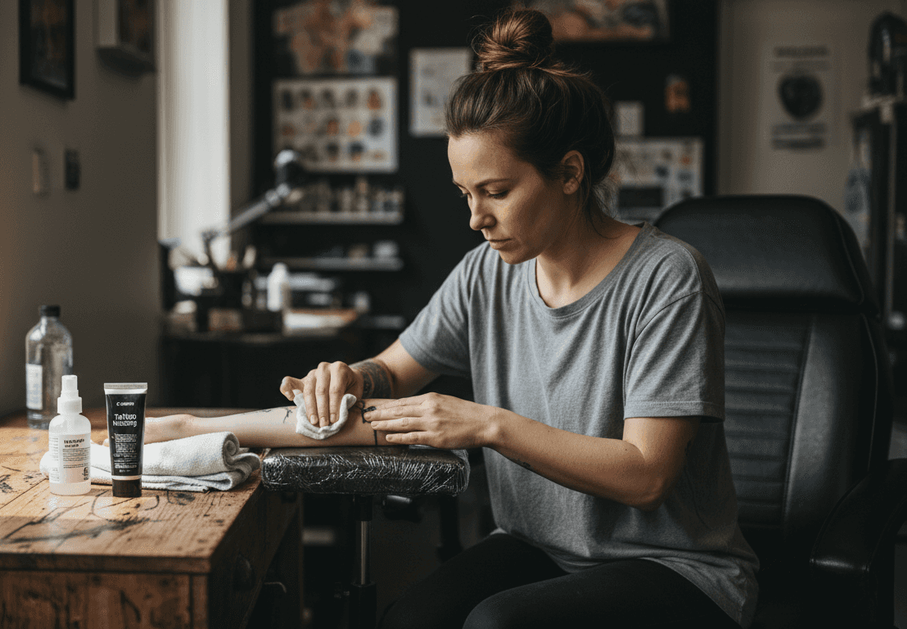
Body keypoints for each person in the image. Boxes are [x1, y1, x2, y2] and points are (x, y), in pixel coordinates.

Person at [146, 8, 757, 628]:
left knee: (496, 626)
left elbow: (646, 476)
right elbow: (393, 372)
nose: (476, 218)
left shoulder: (668, 278)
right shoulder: (485, 273)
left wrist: (488, 425)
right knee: (409, 619)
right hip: (541, 548)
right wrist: (352, 379)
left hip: (675, 569)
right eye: (466, 193)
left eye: (496, 192)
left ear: (570, 173)